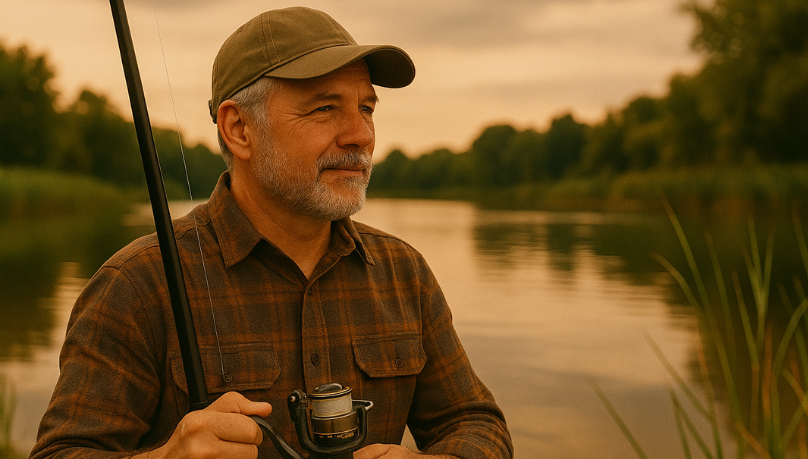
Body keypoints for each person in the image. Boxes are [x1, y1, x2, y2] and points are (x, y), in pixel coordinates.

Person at [30, 7, 512, 459]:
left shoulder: (404, 272)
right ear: (238, 128)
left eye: (366, 108)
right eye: (324, 108)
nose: (360, 135)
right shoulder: (136, 284)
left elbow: (476, 423)